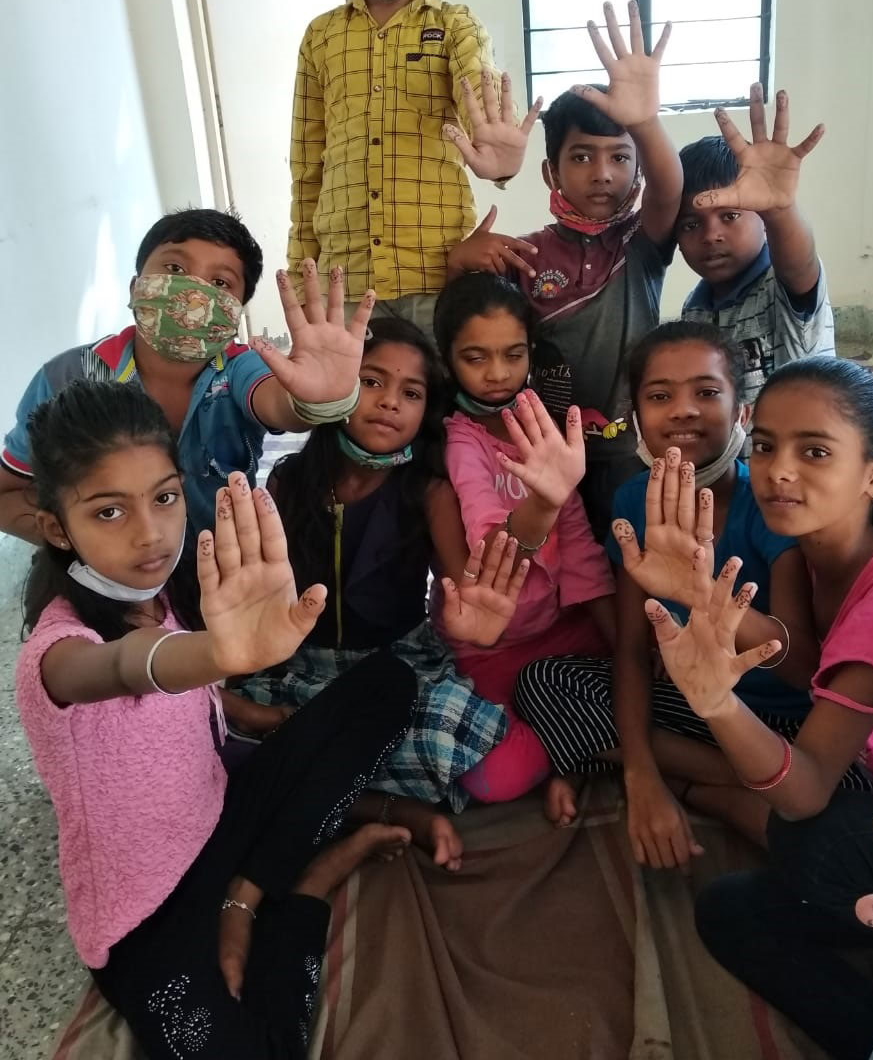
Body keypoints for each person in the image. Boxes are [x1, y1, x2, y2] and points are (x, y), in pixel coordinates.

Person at [15, 378, 419, 1058]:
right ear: (58, 528)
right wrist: (217, 653)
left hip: (223, 816)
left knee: (389, 684)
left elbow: (174, 688)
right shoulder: (55, 656)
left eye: (165, 498)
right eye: (109, 512)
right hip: (149, 913)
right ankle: (308, 882)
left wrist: (239, 706)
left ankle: (250, 894)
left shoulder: (159, 589)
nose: (151, 534)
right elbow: (125, 667)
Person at [634, 355, 873, 1060]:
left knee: (810, 843)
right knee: (729, 911)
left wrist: (717, 703)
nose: (779, 470)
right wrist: (697, 595)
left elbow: (807, 791)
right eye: (766, 446)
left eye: (814, 451)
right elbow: (808, 668)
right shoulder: (805, 555)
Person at [514, 322, 820, 855]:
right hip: (686, 703)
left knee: (824, 827)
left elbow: (800, 667)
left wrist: (705, 595)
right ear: (635, 420)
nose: (682, 410)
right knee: (543, 682)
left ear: (742, 413)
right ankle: (726, 783)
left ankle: (715, 787)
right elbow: (631, 649)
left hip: (772, 721)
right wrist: (642, 778)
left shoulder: (769, 504)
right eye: (660, 396)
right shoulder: (635, 500)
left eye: (706, 392)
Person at [231, 317, 528, 864]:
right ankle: (370, 799)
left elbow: (466, 588)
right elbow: (262, 594)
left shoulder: (429, 491)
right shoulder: (288, 481)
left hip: (395, 665)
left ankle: (321, 783)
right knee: (221, 729)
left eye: (410, 392)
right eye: (371, 382)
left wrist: (473, 620)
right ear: (338, 384)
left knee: (455, 741)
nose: (389, 402)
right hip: (299, 663)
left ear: (426, 410)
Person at [287, 0, 540, 336]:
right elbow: (307, 167)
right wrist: (301, 283)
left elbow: (482, 101)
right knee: (352, 412)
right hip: (346, 282)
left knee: (439, 409)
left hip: (435, 274)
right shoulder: (320, 37)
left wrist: (502, 158)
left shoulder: (455, 26)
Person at [448, 1, 683, 538]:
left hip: (636, 450)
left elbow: (671, 192)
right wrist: (459, 259)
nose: (602, 174)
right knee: (573, 560)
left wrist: (645, 122)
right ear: (551, 171)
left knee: (635, 553)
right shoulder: (526, 254)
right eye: (581, 157)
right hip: (548, 450)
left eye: (620, 157)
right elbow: (473, 320)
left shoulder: (639, 243)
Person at [1, 208, 371, 540]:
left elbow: (280, 403)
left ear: (235, 311)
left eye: (220, 282)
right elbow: (7, 492)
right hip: (105, 593)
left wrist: (320, 399)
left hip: (218, 574)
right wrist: (82, 544)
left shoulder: (241, 366)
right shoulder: (66, 378)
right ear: (135, 288)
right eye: (175, 269)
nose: (193, 292)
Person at [431, 272, 615, 803]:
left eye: (513, 355)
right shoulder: (460, 441)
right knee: (492, 779)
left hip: (561, 629)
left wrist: (622, 644)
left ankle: (572, 746)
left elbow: (580, 548)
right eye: (476, 357)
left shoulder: (537, 426)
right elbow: (493, 551)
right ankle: (580, 750)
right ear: (448, 360)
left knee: (652, 672)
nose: (497, 374)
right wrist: (545, 501)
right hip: (491, 646)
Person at [678, 84, 834, 403]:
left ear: (761, 217)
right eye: (691, 224)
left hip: (801, 450)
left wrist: (780, 210)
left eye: (731, 215)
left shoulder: (781, 286)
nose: (711, 235)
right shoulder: (693, 310)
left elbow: (799, 266)